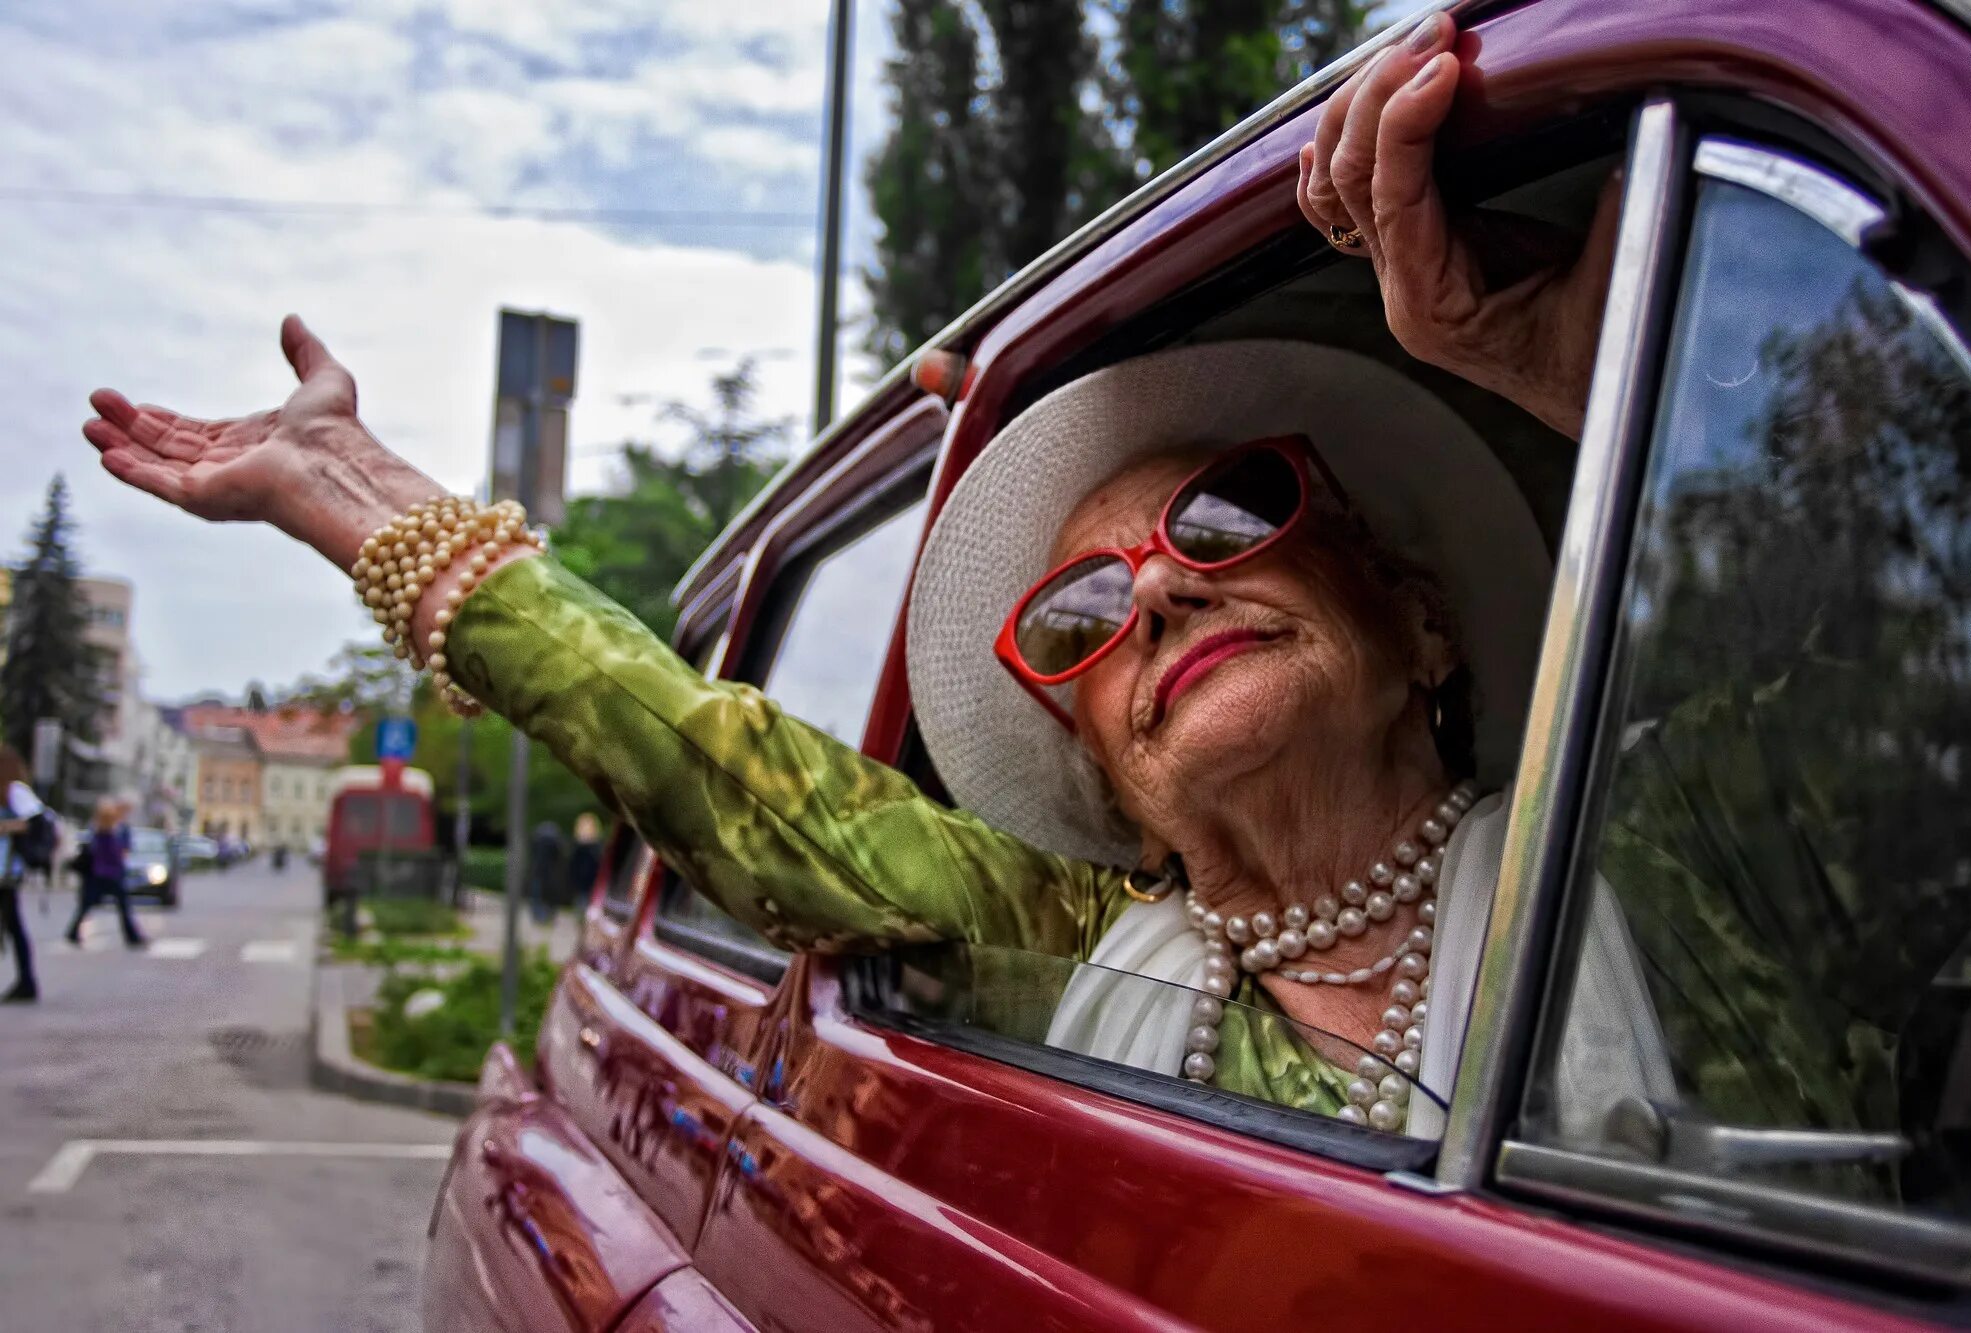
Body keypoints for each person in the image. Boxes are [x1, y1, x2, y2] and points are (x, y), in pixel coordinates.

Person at [76, 15, 1831, 1136]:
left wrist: (1611, 382)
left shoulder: (1650, 844)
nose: (1153, 595)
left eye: (1224, 520)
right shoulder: (1064, 945)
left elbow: (1835, 642)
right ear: (1109, 781)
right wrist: (358, 494)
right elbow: (738, 777)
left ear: (1420, 615)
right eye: (1077, 616)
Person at [66, 797, 147, 949]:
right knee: (122, 907)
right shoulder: (111, 834)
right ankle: (132, 937)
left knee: (87, 905)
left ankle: (73, 932)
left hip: (98, 874)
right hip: (111, 875)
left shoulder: (97, 833)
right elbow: (119, 855)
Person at [0, 753, 46, 1003]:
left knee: (13, 927)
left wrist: (5, 827)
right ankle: (26, 982)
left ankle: (27, 982)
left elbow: (36, 821)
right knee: (13, 926)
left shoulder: (15, 791)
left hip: (6, 871)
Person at [568, 813, 603, 911]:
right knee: (582, 902)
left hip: (592, 883)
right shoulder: (577, 847)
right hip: (581, 884)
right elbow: (572, 866)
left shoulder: (596, 847)